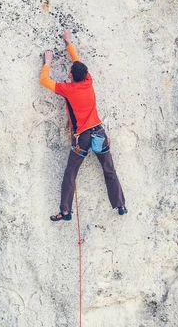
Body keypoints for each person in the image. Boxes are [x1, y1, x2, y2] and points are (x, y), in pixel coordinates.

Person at [40, 30, 127, 221]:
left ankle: (65, 211)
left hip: (83, 138)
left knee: (71, 172)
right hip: (99, 133)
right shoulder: (88, 81)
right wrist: (69, 42)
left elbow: (44, 81)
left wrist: (47, 63)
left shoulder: (68, 90)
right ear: (85, 74)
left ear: (71, 76)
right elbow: (77, 60)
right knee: (109, 170)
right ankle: (120, 205)